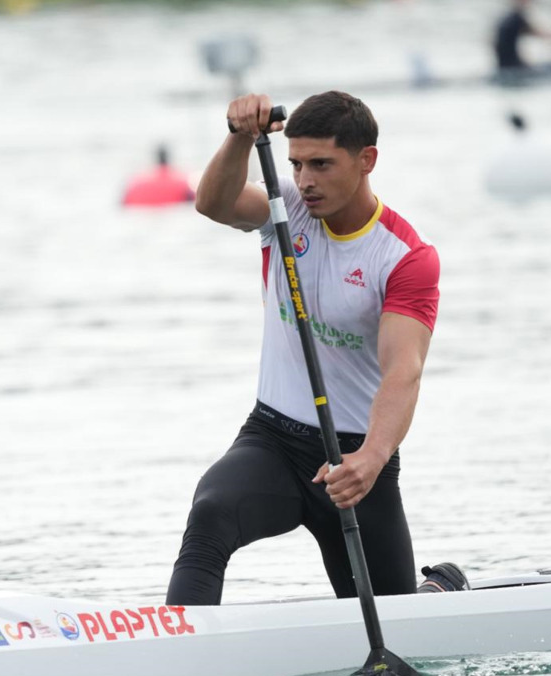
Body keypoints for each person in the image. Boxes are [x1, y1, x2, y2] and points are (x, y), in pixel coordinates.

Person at [165, 91, 444, 606]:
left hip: (354, 459)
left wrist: (372, 457)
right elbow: (213, 203)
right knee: (211, 511)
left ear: (367, 161)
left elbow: (403, 371)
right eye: (294, 164)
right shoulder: (283, 208)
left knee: (392, 611)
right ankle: (175, 654)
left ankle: (440, 589)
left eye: (321, 164)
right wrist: (239, 139)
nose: (304, 180)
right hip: (272, 439)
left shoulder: (405, 257)